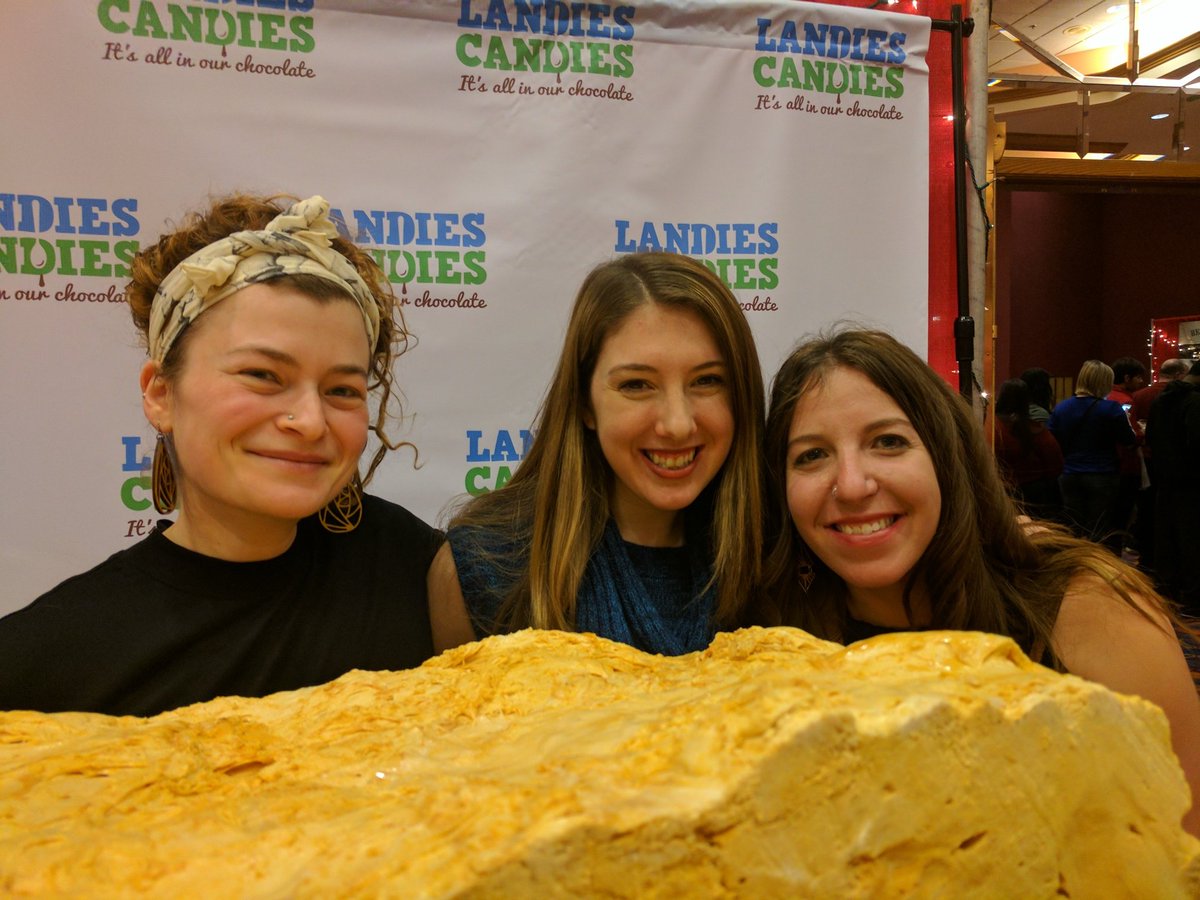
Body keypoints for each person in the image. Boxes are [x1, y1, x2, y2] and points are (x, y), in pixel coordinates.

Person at [0, 194, 441, 716]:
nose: (311, 421)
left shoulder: (418, 570)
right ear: (161, 393)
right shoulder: (38, 667)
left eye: (342, 390)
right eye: (262, 375)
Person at [758, 328, 1200, 837]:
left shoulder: (1084, 607)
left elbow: (1174, 853)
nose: (853, 485)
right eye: (811, 455)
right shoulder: (777, 632)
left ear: (947, 456)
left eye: (888, 442)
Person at [427, 252, 764, 656]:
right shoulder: (484, 567)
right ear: (584, 403)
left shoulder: (780, 560)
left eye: (707, 381)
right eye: (637, 385)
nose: (678, 423)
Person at [1047, 360, 1137, 550]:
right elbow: (1128, 439)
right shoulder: (1110, 409)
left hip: (1069, 473)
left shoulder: (1062, 408)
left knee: (1073, 525)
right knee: (1099, 526)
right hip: (1102, 472)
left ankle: (1074, 563)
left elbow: (1052, 439)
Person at [1146, 361, 1200, 617]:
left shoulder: (1161, 400)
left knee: (1166, 536)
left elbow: (1151, 439)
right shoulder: (1194, 402)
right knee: (1191, 538)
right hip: (1190, 482)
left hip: (1164, 478)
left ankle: (1167, 589)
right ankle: (1193, 596)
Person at [1131, 359, 1190, 576]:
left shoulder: (1139, 396)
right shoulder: (1185, 397)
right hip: (1175, 465)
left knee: (1148, 509)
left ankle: (1148, 557)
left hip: (1146, 459)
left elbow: (1135, 427)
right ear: (1180, 374)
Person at [992, 378, 1063, 521]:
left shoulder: (992, 426)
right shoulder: (1034, 429)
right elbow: (1055, 462)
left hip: (1001, 490)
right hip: (1034, 492)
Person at [1106, 356, 1148, 551]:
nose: (1141, 382)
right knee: (1122, 514)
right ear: (1127, 377)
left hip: (1108, 465)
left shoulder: (1105, 397)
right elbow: (1132, 435)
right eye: (1138, 377)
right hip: (1126, 464)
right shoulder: (1125, 402)